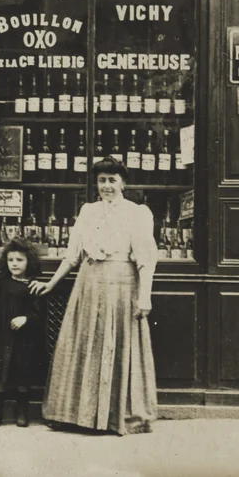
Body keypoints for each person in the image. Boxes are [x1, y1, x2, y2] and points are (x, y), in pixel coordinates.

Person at [31, 158, 159, 435]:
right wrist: (52, 283)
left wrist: (145, 297)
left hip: (121, 285)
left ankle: (117, 417)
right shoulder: (88, 212)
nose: (107, 186)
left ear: (123, 183)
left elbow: (146, 259)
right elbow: (72, 254)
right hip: (88, 285)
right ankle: (79, 415)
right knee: (85, 345)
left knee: (118, 346)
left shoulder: (137, 213)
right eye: (102, 180)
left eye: (112, 180)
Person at [0, 238, 43, 428]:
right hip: (1, 335)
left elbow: (39, 313)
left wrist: (26, 319)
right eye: (11, 259)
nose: (14, 263)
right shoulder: (3, 283)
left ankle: (22, 411)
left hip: (23, 338)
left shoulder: (33, 286)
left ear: (29, 262)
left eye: (19, 260)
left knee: (22, 375)